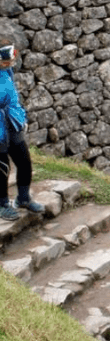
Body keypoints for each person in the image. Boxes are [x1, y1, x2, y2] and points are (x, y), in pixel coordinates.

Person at [0, 41, 42, 221]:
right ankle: (2, 205)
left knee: (24, 162)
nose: (9, 64)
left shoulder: (7, 72)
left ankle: (23, 198)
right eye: (5, 61)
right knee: (2, 168)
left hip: (12, 123)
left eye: (11, 60)